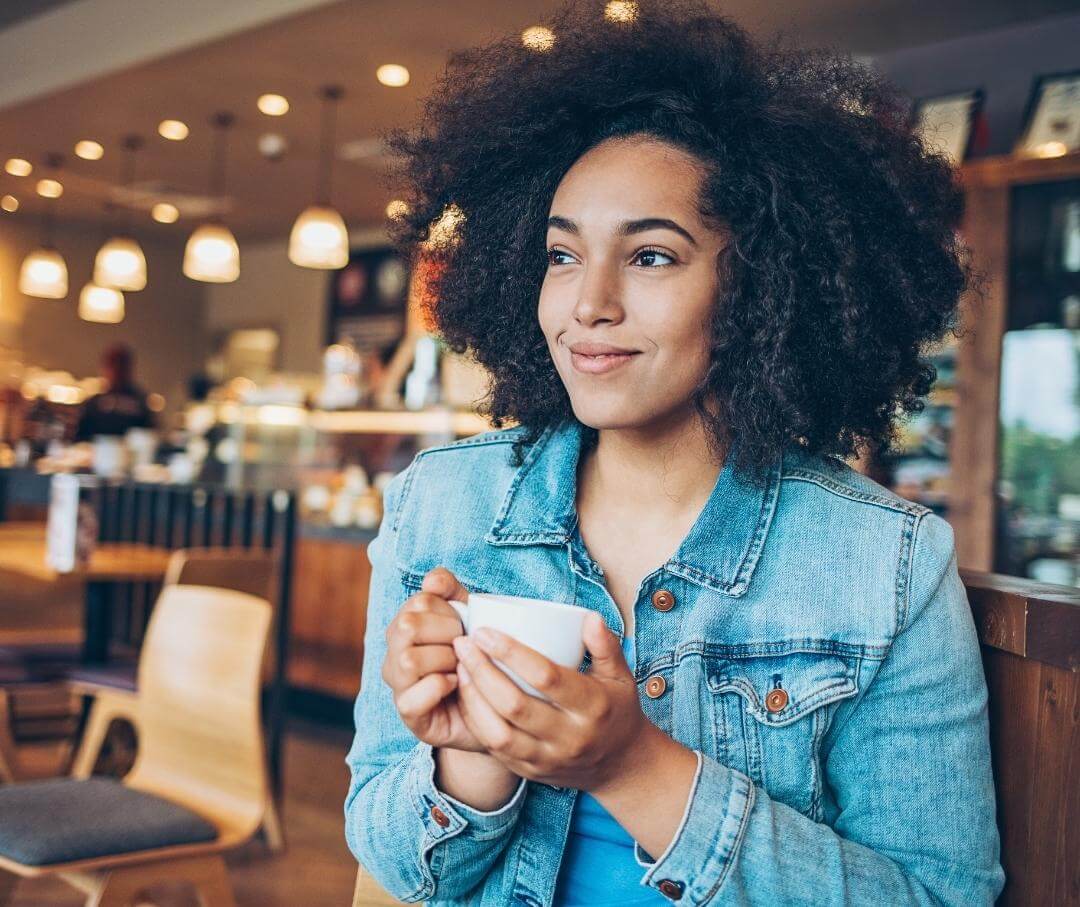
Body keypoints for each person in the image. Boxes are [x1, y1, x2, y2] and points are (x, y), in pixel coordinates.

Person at [344, 2, 1005, 904]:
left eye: (651, 256)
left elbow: (941, 897)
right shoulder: (443, 504)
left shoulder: (885, 563)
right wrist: (470, 762)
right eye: (562, 254)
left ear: (763, 287)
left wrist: (633, 766)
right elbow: (386, 860)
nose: (589, 304)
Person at [73, 344, 155, 442]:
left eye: (121, 365)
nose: (116, 370)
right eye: (112, 365)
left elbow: (149, 436)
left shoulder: (140, 402)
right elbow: (80, 436)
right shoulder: (94, 401)